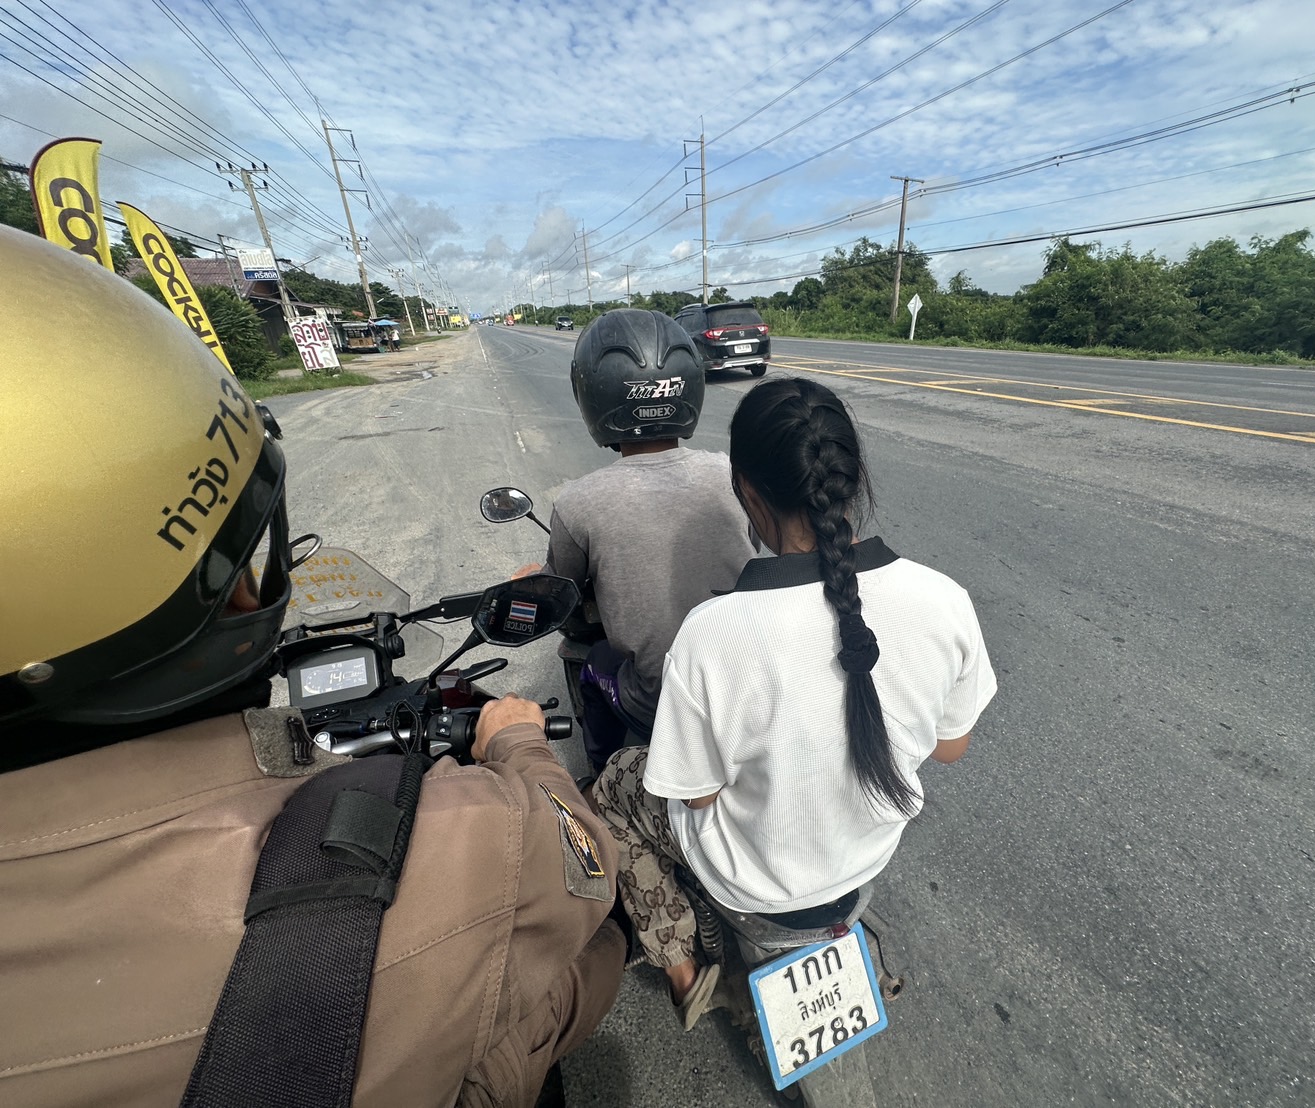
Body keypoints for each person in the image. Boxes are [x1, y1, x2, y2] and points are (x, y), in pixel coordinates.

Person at [0, 225, 624, 1108]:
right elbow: (586, 872)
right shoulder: (464, 839)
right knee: (587, 962)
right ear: (233, 587)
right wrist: (518, 748)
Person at [592, 375, 997, 1027]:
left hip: (748, 883)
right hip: (862, 860)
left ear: (748, 493)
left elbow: (696, 797)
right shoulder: (945, 599)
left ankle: (681, 969)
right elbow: (949, 747)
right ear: (852, 477)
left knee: (614, 787)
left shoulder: (711, 635)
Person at [514, 308, 754, 774]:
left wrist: (528, 580)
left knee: (594, 661)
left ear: (592, 394)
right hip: (742, 686)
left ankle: (604, 778)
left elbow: (561, 589)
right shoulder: (732, 473)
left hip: (660, 700)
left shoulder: (578, 502)